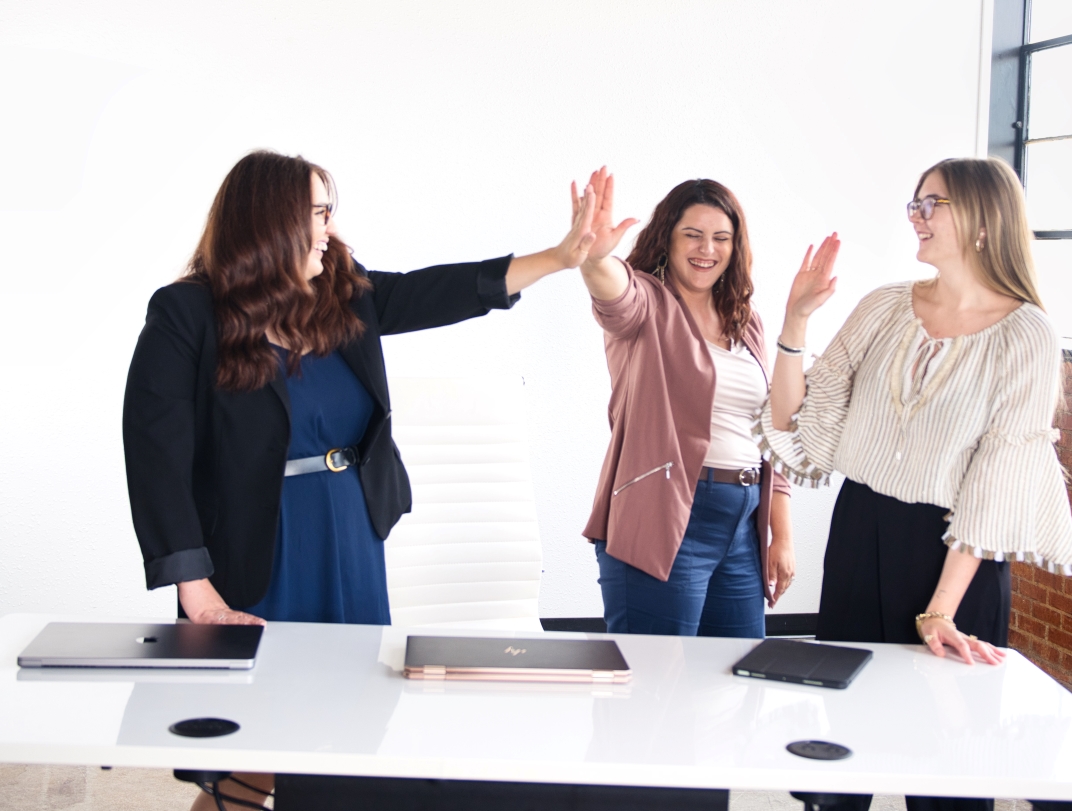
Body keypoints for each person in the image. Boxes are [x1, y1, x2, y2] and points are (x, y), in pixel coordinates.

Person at [122, 150, 598, 811]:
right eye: (318, 212)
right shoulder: (186, 313)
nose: (329, 227)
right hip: (257, 549)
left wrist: (558, 256)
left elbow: (437, 290)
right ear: (273, 220)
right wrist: (195, 591)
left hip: (349, 535)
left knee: (349, 736)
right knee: (248, 753)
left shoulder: (340, 294)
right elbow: (155, 457)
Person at [759, 157, 1072, 811]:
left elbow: (994, 482)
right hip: (861, 534)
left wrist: (939, 609)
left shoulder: (1027, 334)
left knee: (947, 767)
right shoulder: (883, 306)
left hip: (955, 556)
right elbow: (796, 418)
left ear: (986, 219)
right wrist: (795, 324)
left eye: (933, 204)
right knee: (843, 750)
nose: (918, 217)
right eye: (915, 205)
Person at [575, 168, 794, 638]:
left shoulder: (744, 319)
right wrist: (595, 257)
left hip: (742, 522)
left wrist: (782, 534)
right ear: (667, 239)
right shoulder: (647, 304)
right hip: (667, 515)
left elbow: (772, 433)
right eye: (692, 235)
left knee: (736, 684)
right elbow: (614, 293)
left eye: (721, 237)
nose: (706, 249)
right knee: (654, 692)